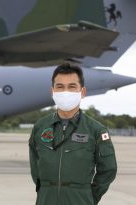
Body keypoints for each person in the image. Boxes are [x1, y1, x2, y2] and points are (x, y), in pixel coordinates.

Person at [29, 63, 117, 205]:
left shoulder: (96, 130)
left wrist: (89, 197)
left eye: (71, 87)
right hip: (46, 199)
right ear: (52, 91)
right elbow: (35, 166)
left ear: (82, 92)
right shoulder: (40, 127)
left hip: (79, 199)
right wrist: (45, 189)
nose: (65, 92)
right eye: (60, 87)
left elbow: (108, 169)